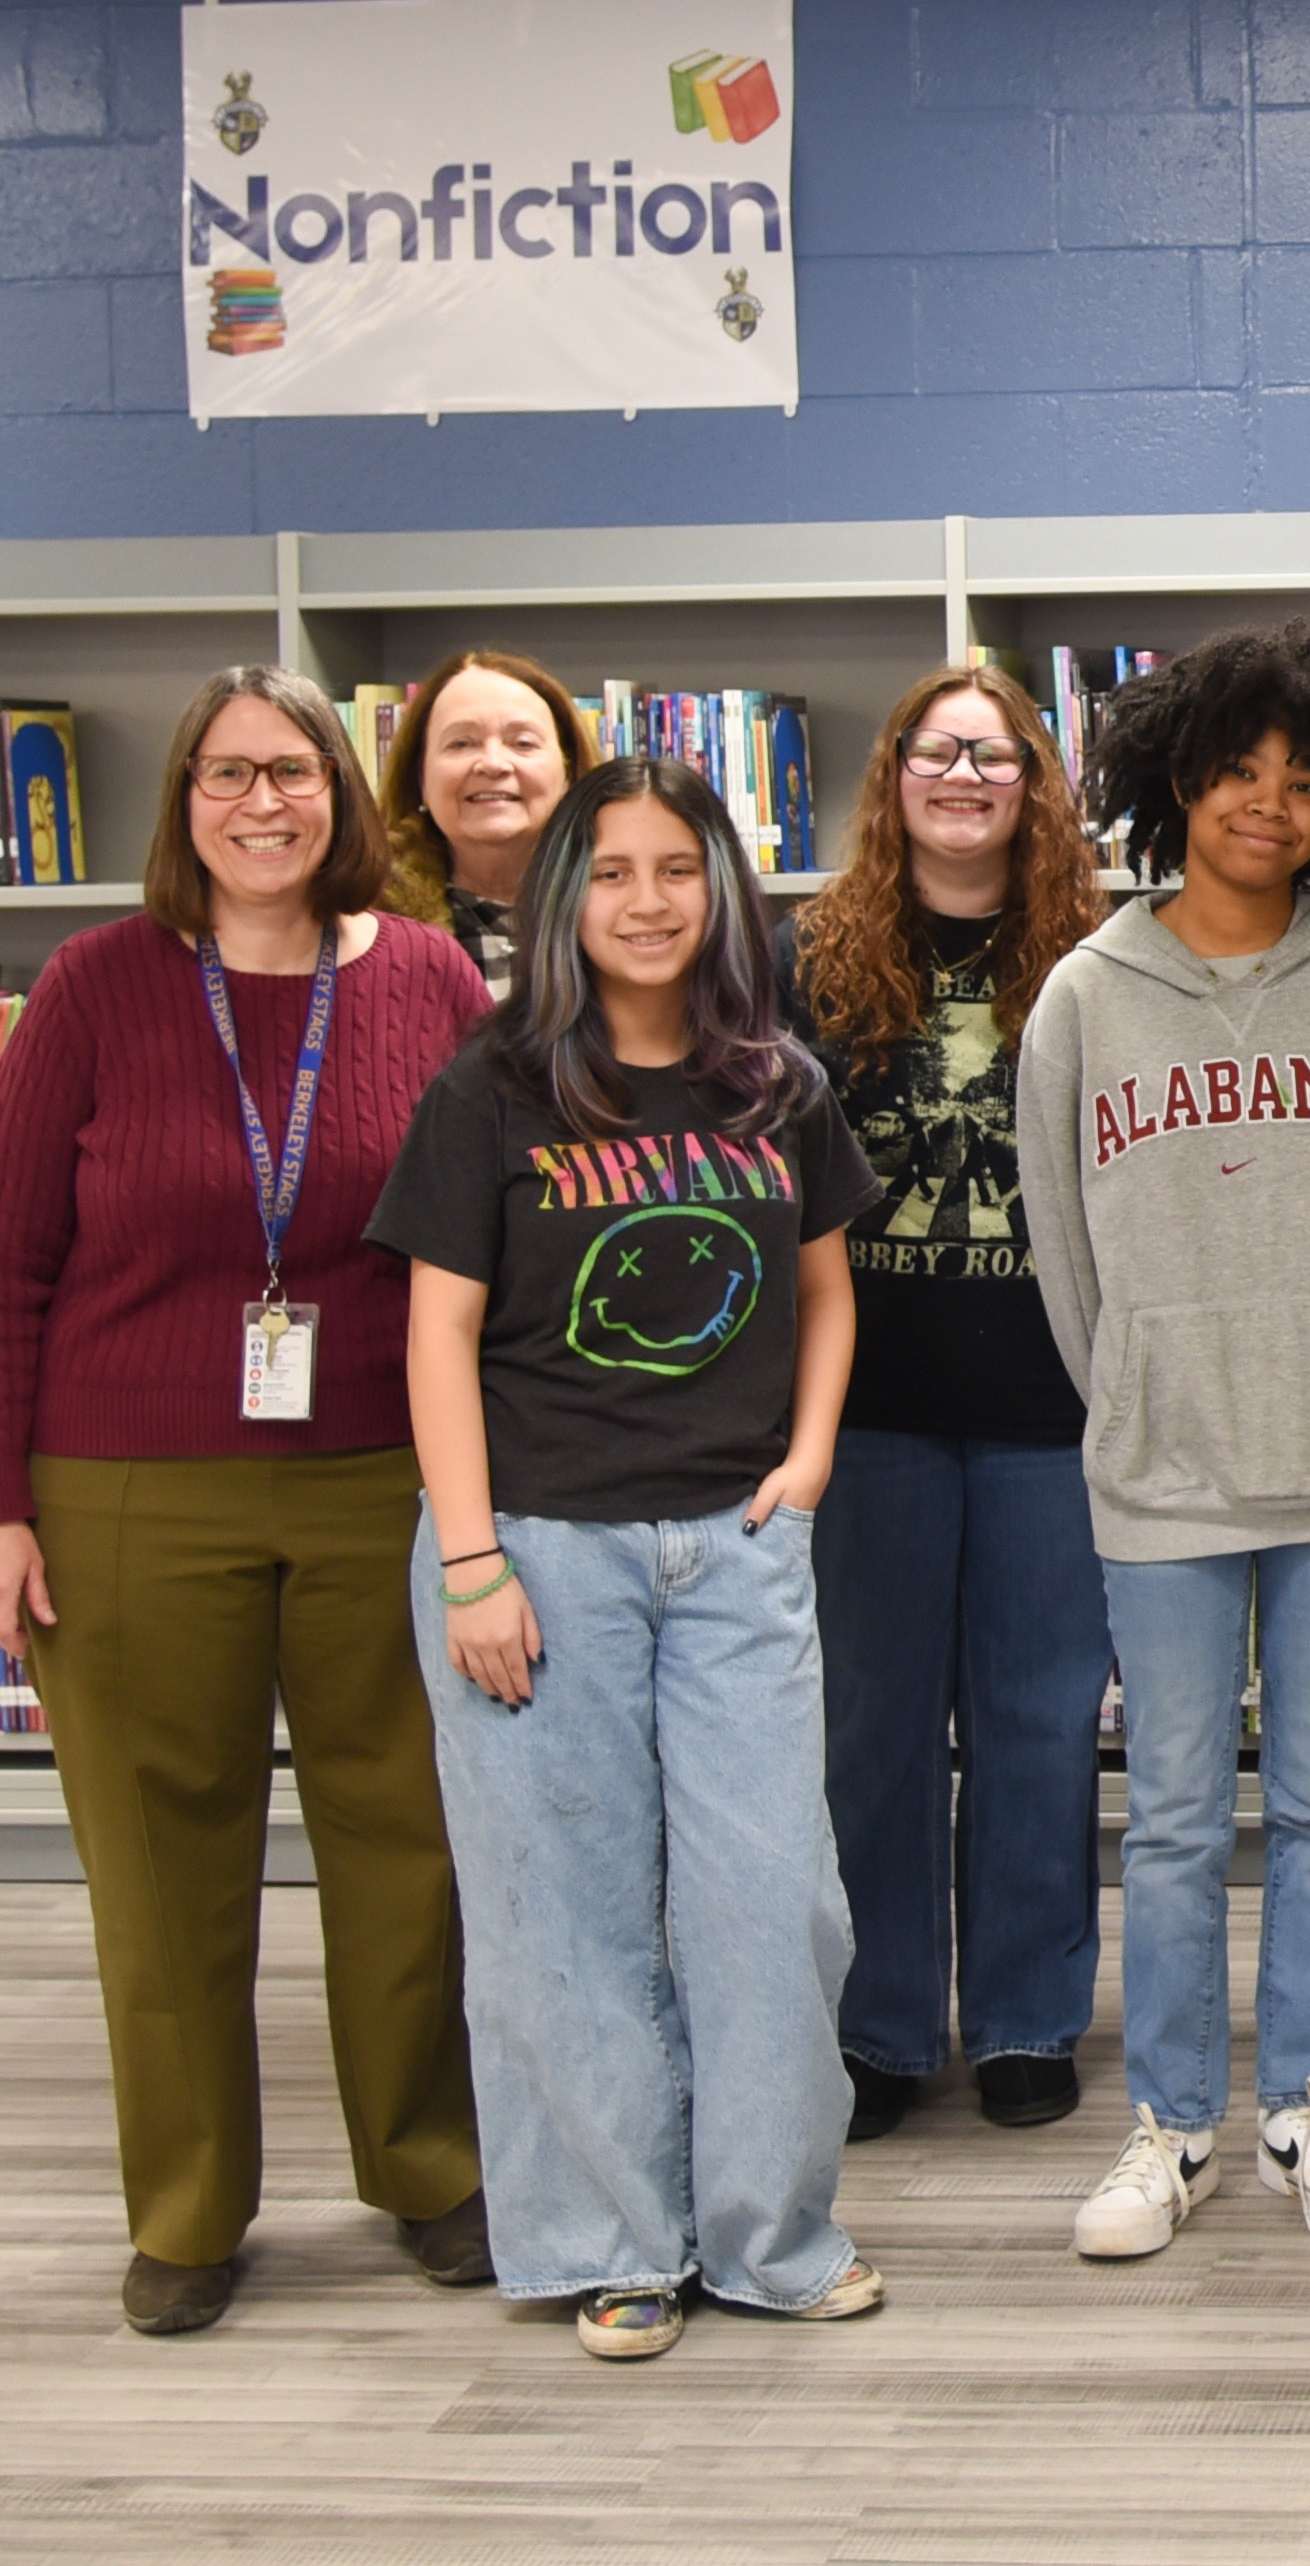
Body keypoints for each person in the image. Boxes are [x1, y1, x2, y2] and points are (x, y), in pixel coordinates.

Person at [0, 669, 492, 2338]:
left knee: (408, 1844)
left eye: (291, 771)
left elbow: (487, 1238)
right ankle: (189, 2210)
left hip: (380, 1475)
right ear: (184, 801)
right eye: (225, 774)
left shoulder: (427, 975)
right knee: (161, 1868)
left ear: (340, 795)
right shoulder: (94, 984)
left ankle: (428, 2168)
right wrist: (4, 1503)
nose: (260, 802)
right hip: (125, 1484)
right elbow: (10, 1257)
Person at [374, 756, 883, 2361]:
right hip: (537, 1552)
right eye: (611, 873)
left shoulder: (777, 1086)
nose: (647, 902)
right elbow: (436, 1338)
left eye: (677, 869)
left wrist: (807, 1464)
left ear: (721, 891)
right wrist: (470, 1562)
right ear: (562, 899)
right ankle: (613, 2244)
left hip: (737, 1546)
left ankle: (770, 2237)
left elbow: (825, 1291)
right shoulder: (492, 1088)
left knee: (772, 1903)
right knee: (562, 1915)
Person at [1014, 620, 1310, 2259]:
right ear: (1173, 784)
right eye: (1236, 772)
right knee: (1179, 1816)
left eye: (1303, 781)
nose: (1267, 804)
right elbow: (1064, 1251)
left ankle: (1306, 2105)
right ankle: (1172, 2122)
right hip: (1164, 1467)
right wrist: (1136, 1393)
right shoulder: (1084, 997)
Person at [782, 664, 1115, 2143]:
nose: (965, 776)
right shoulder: (807, 959)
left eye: (995, 754)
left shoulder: (1098, 955)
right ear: (895, 774)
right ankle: (883, 2025)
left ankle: (1029, 2020)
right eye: (938, 750)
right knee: (873, 1732)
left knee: (1041, 1723)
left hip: (1053, 1406)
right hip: (867, 1413)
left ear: (1034, 783)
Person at [376, 650, 593, 1006]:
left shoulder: (621, 911)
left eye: (522, 743)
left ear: (568, 772)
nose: (493, 764)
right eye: (461, 743)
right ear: (420, 777)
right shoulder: (366, 926)